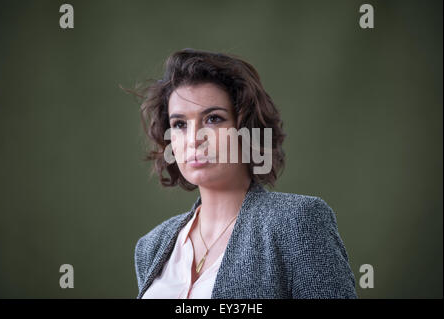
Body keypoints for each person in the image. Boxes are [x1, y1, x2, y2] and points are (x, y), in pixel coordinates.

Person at [129, 48, 357, 299]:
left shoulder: (297, 222)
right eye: (180, 124)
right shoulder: (151, 246)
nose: (194, 139)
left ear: (247, 129)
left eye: (214, 119)